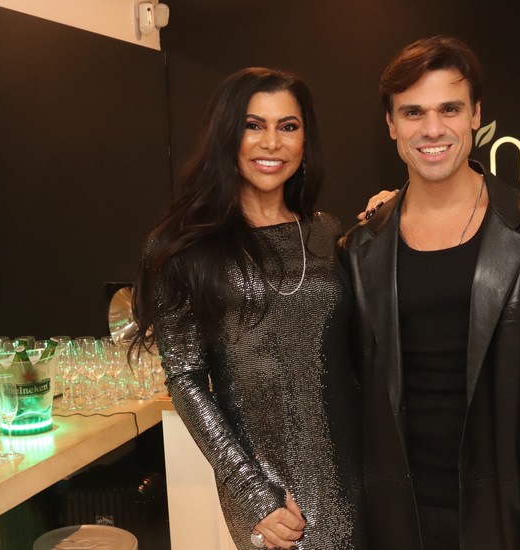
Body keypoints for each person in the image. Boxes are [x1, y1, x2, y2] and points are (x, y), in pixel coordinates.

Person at [338, 36, 520, 550]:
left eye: (449, 109)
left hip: (501, 523)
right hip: (391, 523)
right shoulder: (359, 248)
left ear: (476, 114)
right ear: (391, 124)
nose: (432, 129)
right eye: (413, 112)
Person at [132, 67, 366, 550]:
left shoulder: (327, 232)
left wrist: (389, 217)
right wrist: (251, 492)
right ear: (226, 134)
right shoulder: (182, 246)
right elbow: (185, 379)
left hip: (360, 469)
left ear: (305, 140)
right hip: (275, 494)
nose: (271, 143)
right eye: (253, 125)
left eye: (288, 126)